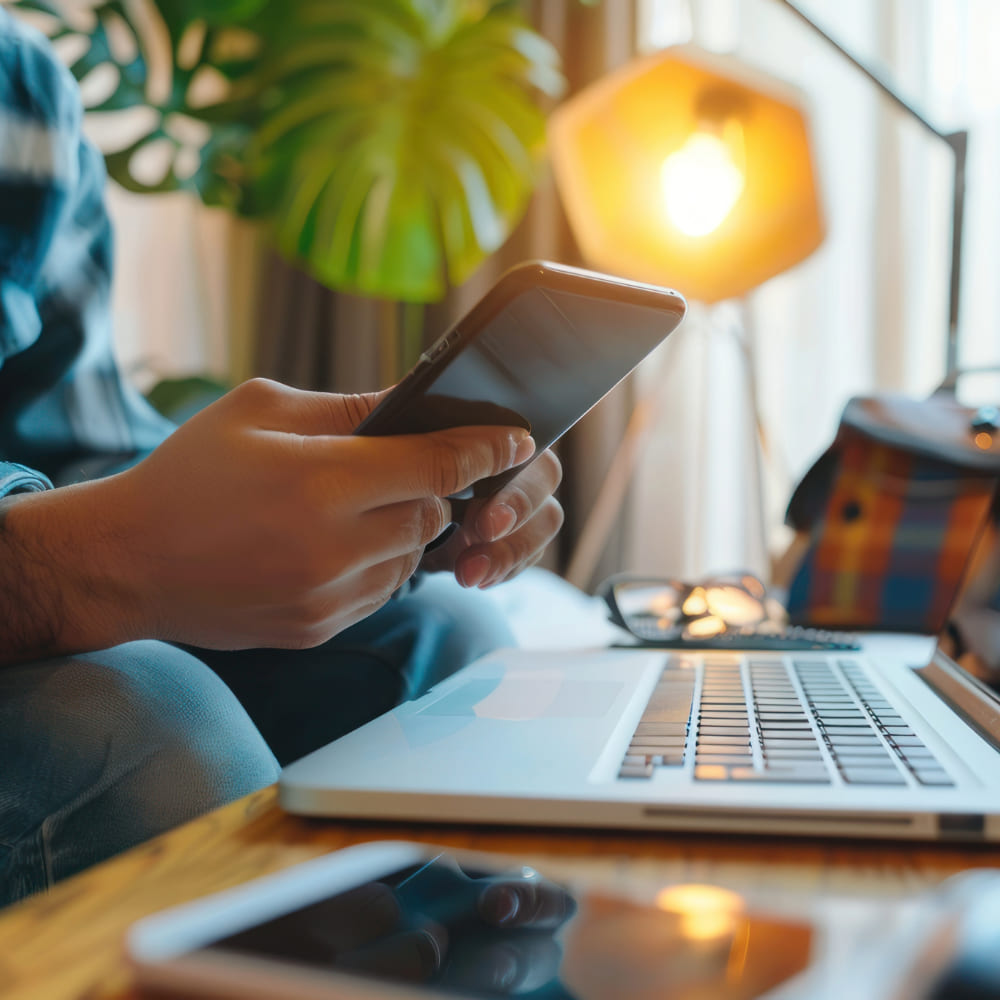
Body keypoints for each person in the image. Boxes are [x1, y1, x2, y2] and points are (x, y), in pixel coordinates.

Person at [0, 10, 564, 908]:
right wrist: (87, 561)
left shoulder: (18, 90)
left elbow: (74, 438)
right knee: (148, 724)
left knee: (444, 642)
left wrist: (351, 494)